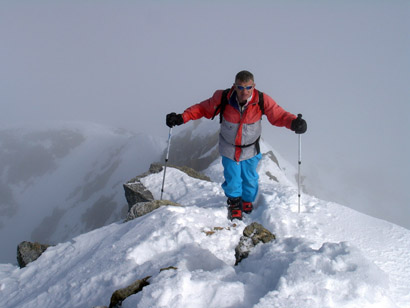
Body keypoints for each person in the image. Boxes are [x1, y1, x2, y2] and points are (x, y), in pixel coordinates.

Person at [166, 70, 307, 220]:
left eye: (248, 87)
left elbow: (278, 115)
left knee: (250, 178)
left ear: (254, 86)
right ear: (234, 86)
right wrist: (181, 117)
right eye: (240, 88)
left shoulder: (261, 100)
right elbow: (202, 108)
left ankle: (247, 201)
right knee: (232, 178)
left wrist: (293, 123)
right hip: (229, 147)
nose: (244, 92)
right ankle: (234, 203)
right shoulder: (223, 98)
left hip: (251, 148)